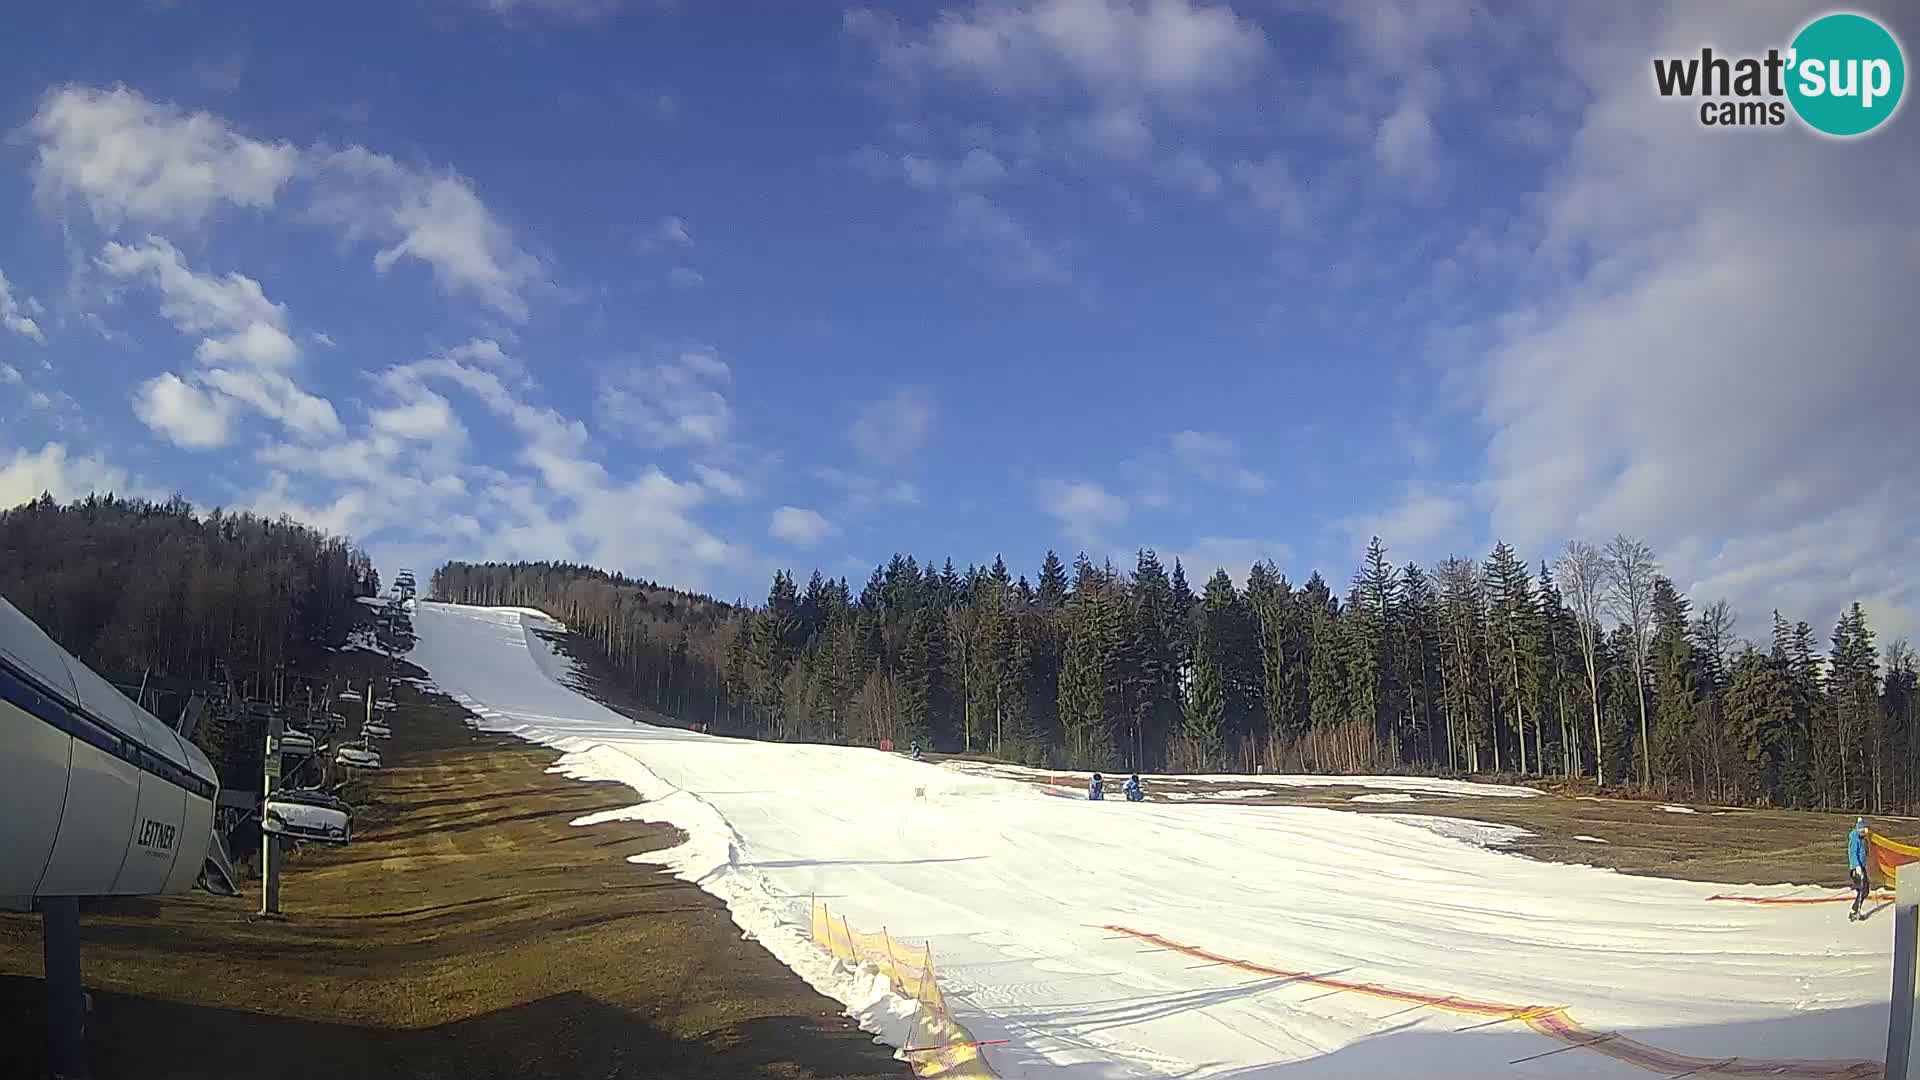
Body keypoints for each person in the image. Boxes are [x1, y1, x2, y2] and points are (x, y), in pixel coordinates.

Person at [1850, 817, 1871, 921]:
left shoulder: (1862, 839)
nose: (1864, 833)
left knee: (1864, 890)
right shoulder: (1855, 839)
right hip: (1856, 868)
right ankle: (1854, 911)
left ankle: (1855, 910)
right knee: (1863, 889)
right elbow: (1853, 853)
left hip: (1861, 867)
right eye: (1862, 832)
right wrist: (1857, 866)